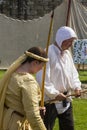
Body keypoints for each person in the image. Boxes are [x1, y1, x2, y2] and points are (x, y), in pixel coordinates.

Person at [36, 26, 82, 130]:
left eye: (72, 42)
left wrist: (77, 87)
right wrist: (55, 94)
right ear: (61, 39)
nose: (70, 45)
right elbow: (42, 80)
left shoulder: (67, 54)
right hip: (50, 101)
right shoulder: (47, 53)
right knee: (46, 128)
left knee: (69, 128)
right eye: (68, 41)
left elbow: (73, 73)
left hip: (66, 100)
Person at [0, 46, 49, 130]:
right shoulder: (28, 82)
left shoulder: (12, 73)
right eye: (42, 65)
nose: (41, 69)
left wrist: (36, 107)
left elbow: (17, 101)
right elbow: (33, 115)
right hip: (16, 124)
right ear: (35, 63)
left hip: (7, 119)